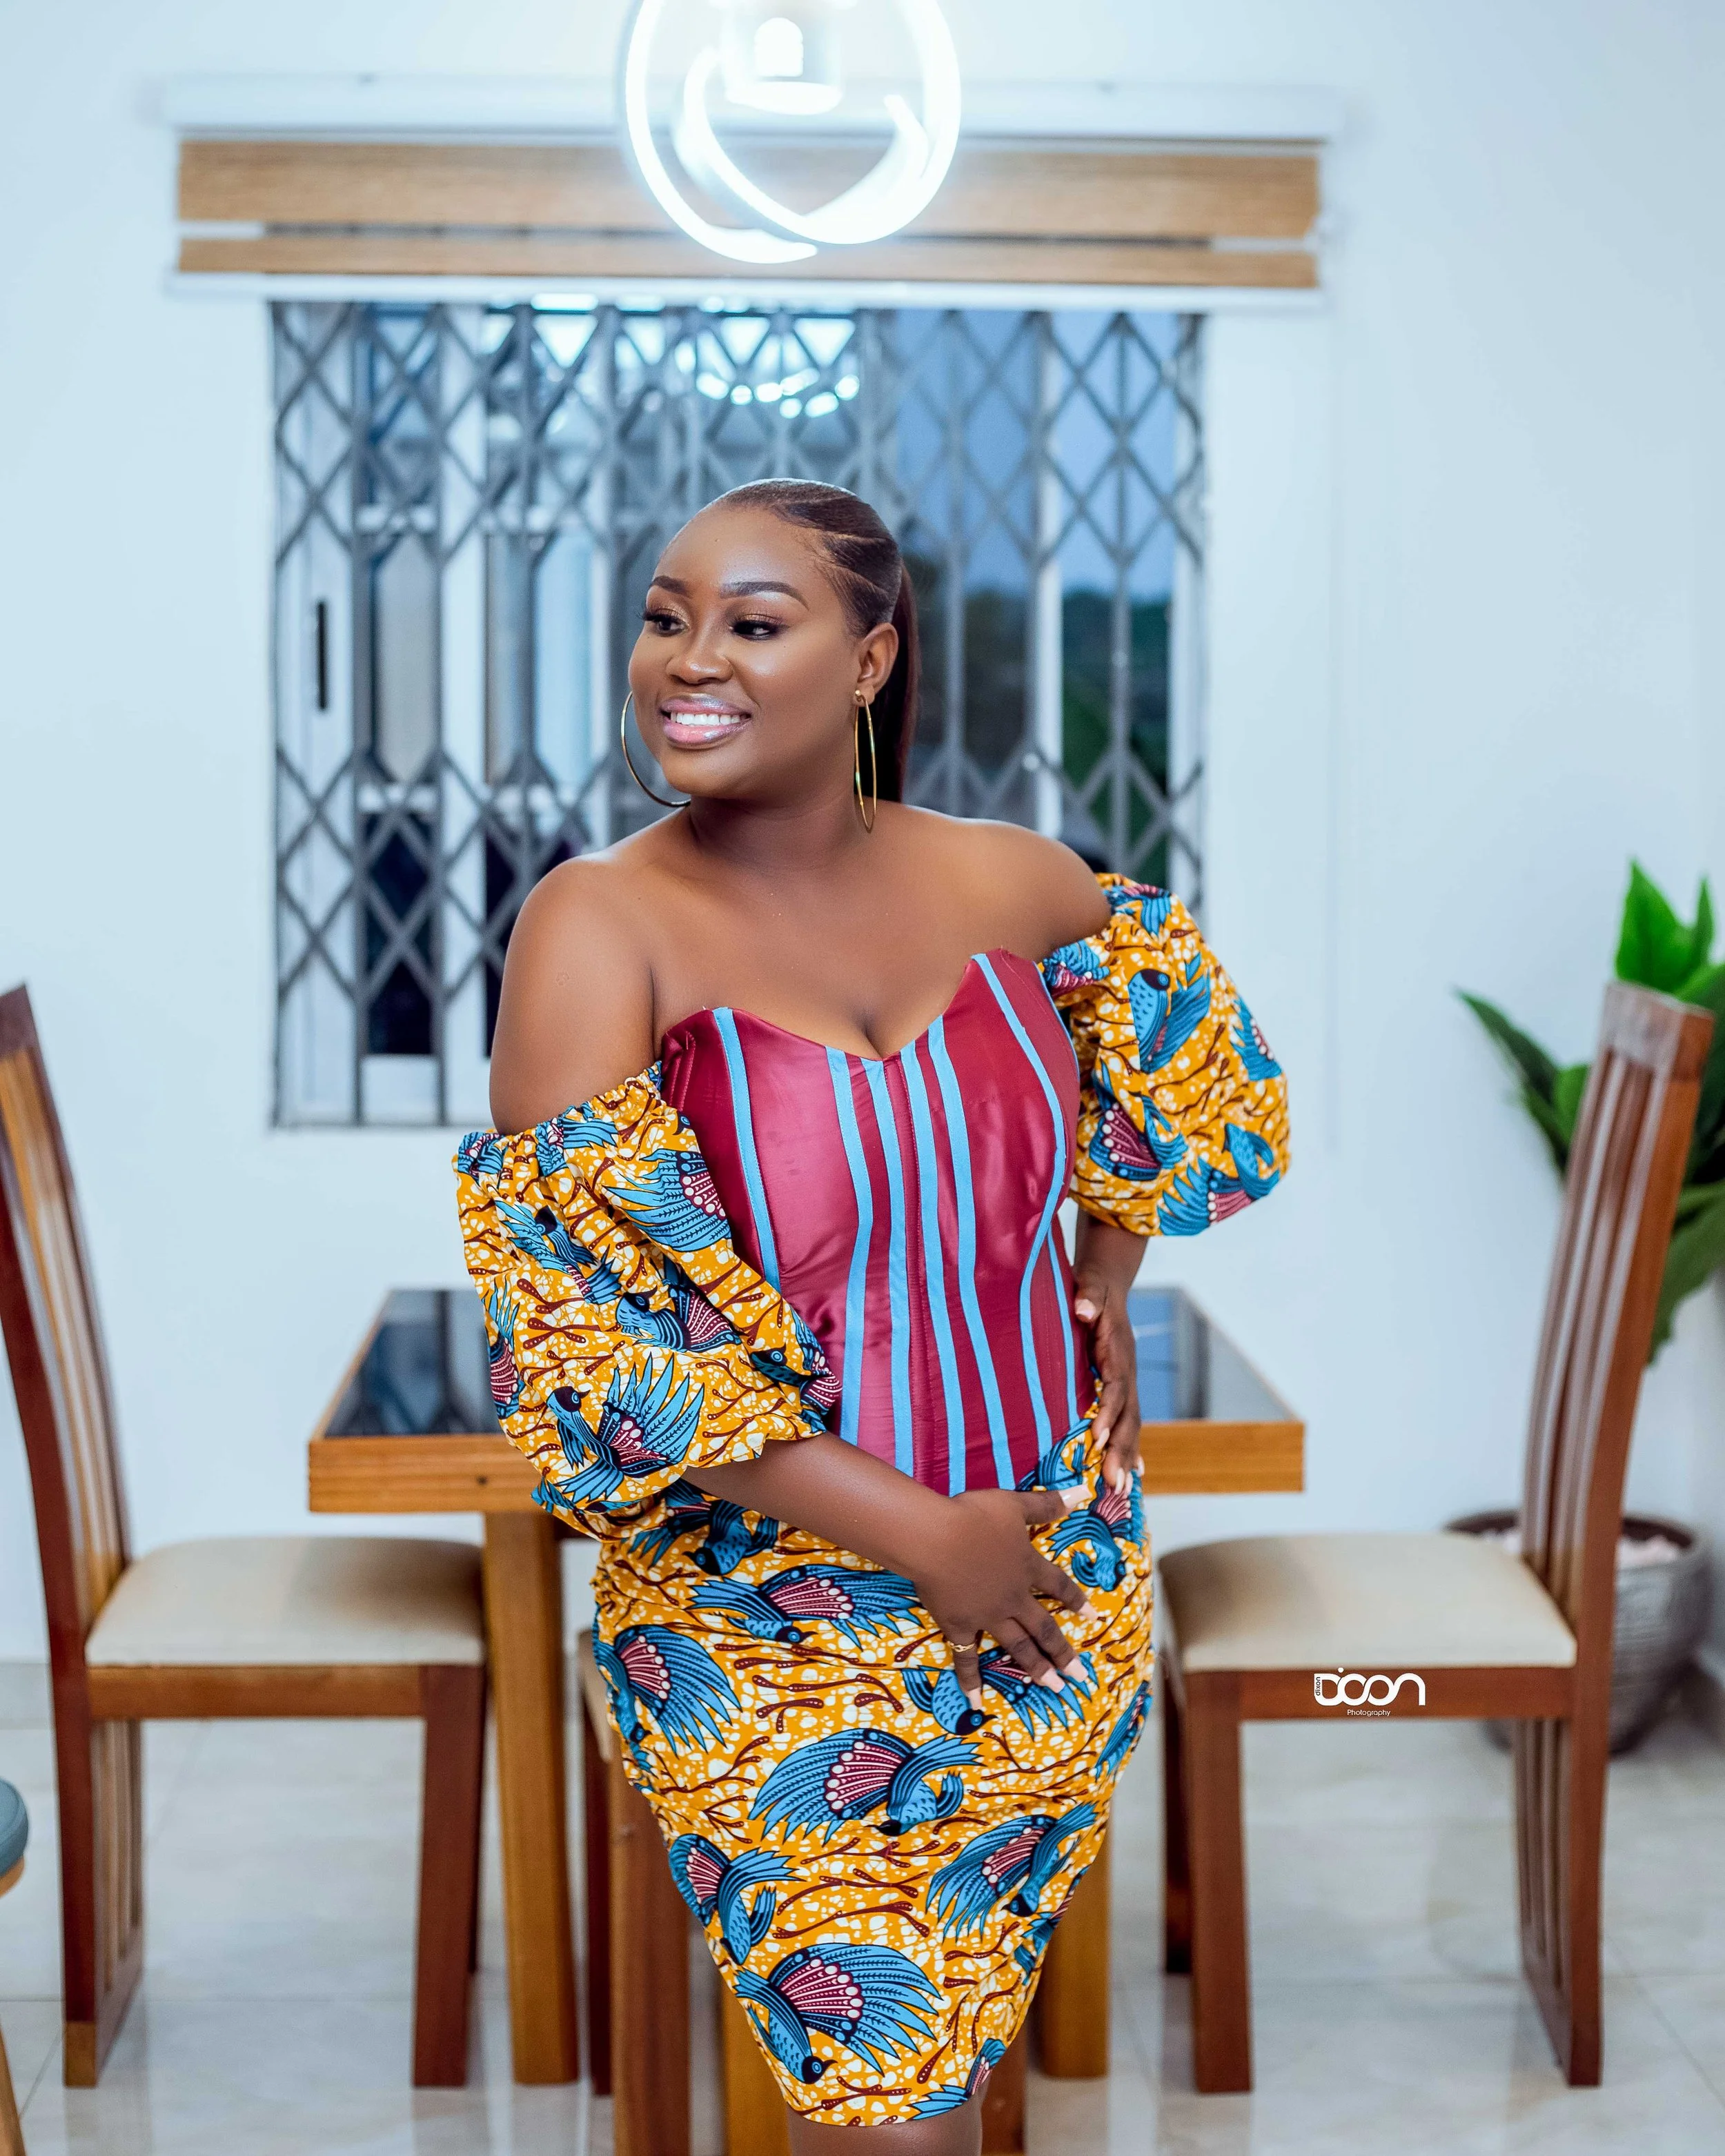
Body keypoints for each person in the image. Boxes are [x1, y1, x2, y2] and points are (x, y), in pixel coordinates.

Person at [457, 479, 1288, 2152]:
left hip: (1048, 1595)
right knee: (889, 2102)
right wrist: (927, 1533)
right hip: (759, 1623)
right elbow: (606, 1350)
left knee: (947, 2075)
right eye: (664, 615)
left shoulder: (1013, 880)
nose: (687, 658)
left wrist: (1098, 1272)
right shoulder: (593, 924)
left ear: (868, 661)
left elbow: (1180, 1054)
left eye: (752, 623)